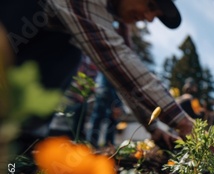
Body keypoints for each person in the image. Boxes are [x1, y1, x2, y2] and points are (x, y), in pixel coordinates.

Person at [1, 0, 193, 152]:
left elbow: (127, 77)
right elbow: (117, 60)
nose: (149, 18)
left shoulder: (115, 20)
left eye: (155, 15)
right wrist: (182, 122)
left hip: (30, 42)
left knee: (68, 51)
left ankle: (20, 138)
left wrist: (153, 129)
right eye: (150, 5)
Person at [87, 73, 124, 148]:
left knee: (103, 119)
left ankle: (102, 145)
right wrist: (117, 104)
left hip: (107, 91)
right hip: (106, 91)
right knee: (100, 118)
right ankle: (96, 145)